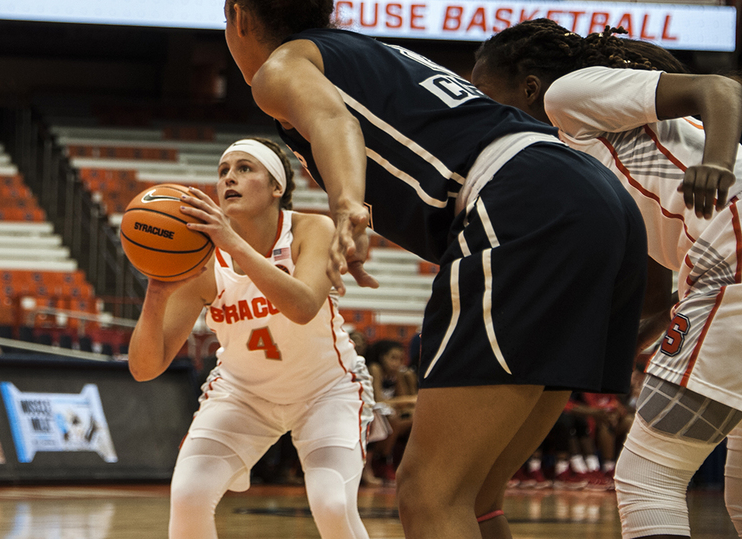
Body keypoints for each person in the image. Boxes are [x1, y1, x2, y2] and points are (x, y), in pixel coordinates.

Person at [222, 2, 648, 537]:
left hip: (522, 198)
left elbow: (333, 119)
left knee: (428, 494)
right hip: (593, 197)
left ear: (240, 16)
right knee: (475, 495)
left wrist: (349, 204)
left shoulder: (279, 68)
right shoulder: (364, 51)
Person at [473, 19, 742, 539]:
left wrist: (714, 164)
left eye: (483, 91)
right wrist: (620, 351)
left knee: (649, 477)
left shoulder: (566, 95)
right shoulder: (596, 154)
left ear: (529, 87)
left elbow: (719, 87)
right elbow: (652, 297)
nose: (478, 106)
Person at [127, 137, 374, 539]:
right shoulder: (201, 258)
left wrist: (233, 243)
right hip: (243, 394)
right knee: (188, 493)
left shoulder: (312, 228)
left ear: (276, 187)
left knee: (332, 503)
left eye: (245, 169)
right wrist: (157, 292)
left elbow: (302, 307)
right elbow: (144, 368)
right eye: (223, 170)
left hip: (326, 391)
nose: (229, 178)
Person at [366, 339, 418, 483]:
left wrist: (407, 400)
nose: (397, 363)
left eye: (401, 359)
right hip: (372, 413)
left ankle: (408, 463)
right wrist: (408, 400)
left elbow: (402, 399)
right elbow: (378, 401)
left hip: (388, 415)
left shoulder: (398, 374)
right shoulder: (375, 369)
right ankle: (381, 460)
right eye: (393, 358)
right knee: (394, 419)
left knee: (415, 418)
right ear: (382, 357)